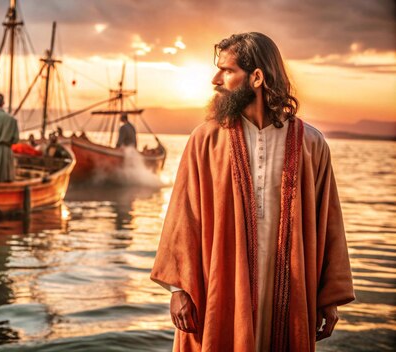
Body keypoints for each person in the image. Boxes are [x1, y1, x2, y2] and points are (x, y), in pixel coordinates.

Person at [150, 32, 354, 352]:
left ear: (257, 77)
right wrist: (178, 289)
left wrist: (329, 299)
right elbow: (182, 217)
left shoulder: (311, 144)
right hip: (218, 290)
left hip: (288, 294)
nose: (216, 80)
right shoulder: (205, 140)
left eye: (228, 71)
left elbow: (328, 223)